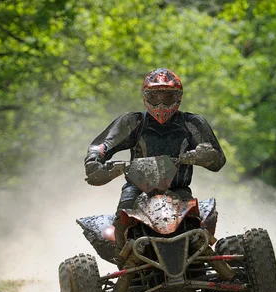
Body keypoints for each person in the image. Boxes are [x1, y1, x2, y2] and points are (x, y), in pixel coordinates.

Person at [84, 67, 226, 249]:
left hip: (178, 189)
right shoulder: (133, 122)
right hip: (136, 190)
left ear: (178, 97)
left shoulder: (192, 123)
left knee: (197, 224)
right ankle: (125, 261)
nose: (160, 104)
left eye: (167, 97)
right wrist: (94, 160)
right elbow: (103, 144)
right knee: (122, 219)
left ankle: (202, 254)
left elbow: (217, 158)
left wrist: (202, 154)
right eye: (154, 97)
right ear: (145, 97)